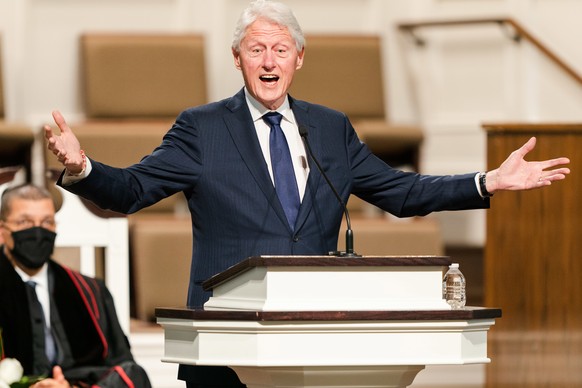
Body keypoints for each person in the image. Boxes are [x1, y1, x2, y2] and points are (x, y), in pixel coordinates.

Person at [44, 0, 570, 386]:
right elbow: (133, 190)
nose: (268, 61)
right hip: (230, 345)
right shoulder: (202, 129)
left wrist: (487, 181)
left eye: (279, 49)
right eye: (256, 50)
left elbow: (401, 192)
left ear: (299, 58)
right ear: (237, 58)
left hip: (320, 344)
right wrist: (84, 166)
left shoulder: (329, 129)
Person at [0, 184, 152, 388]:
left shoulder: (90, 291)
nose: (37, 231)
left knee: (131, 375)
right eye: (25, 222)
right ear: (2, 232)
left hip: (76, 384)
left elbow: (122, 362)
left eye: (47, 222)